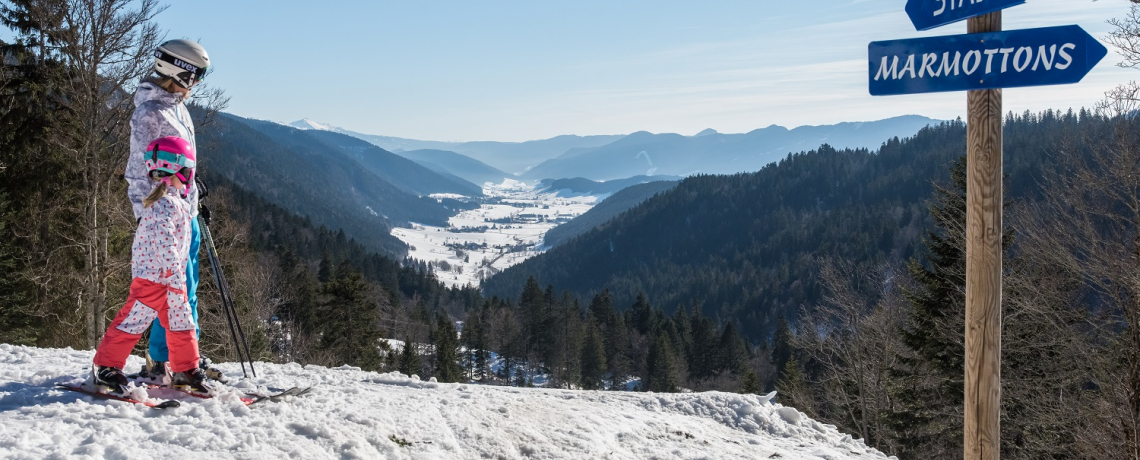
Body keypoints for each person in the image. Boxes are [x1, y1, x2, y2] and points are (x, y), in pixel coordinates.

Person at [124, 39, 221, 382]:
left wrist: (194, 193)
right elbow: (140, 170)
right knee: (171, 291)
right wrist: (147, 214)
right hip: (165, 218)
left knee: (188, 288)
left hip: (185, 213)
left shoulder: (177, 106)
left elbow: (178, 162)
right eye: (197, 77)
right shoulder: (151, 113)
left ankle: (184, 356)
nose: (197, 84)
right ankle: (167, 360)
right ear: (181, 73)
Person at [90, 136, 215, 395]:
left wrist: (175, 276)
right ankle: (106, 366)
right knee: (133, 322)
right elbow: (165, 243)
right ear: (180, 171)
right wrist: (173, 273)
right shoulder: (163, 205)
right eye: (189, 172)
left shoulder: (174, 202)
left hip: (171, 279)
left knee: (182, 324)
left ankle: (186, 368)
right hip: (154, 279)